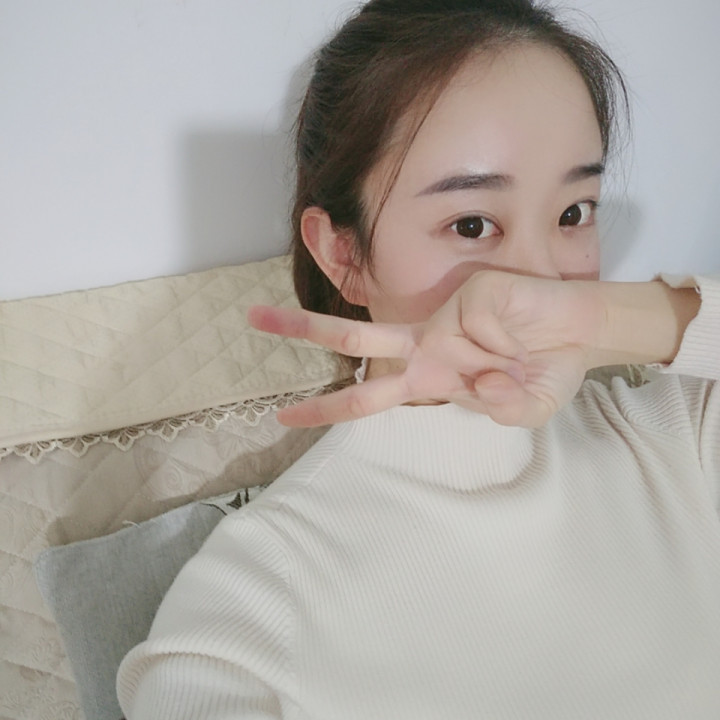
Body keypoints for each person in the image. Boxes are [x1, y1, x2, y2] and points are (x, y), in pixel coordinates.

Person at [117, 1, 720, 718]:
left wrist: (600, 321)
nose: (535, 283)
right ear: (343, 253)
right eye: (471, 223)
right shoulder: (253, 607)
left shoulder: (678, 442)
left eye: (572, 214)